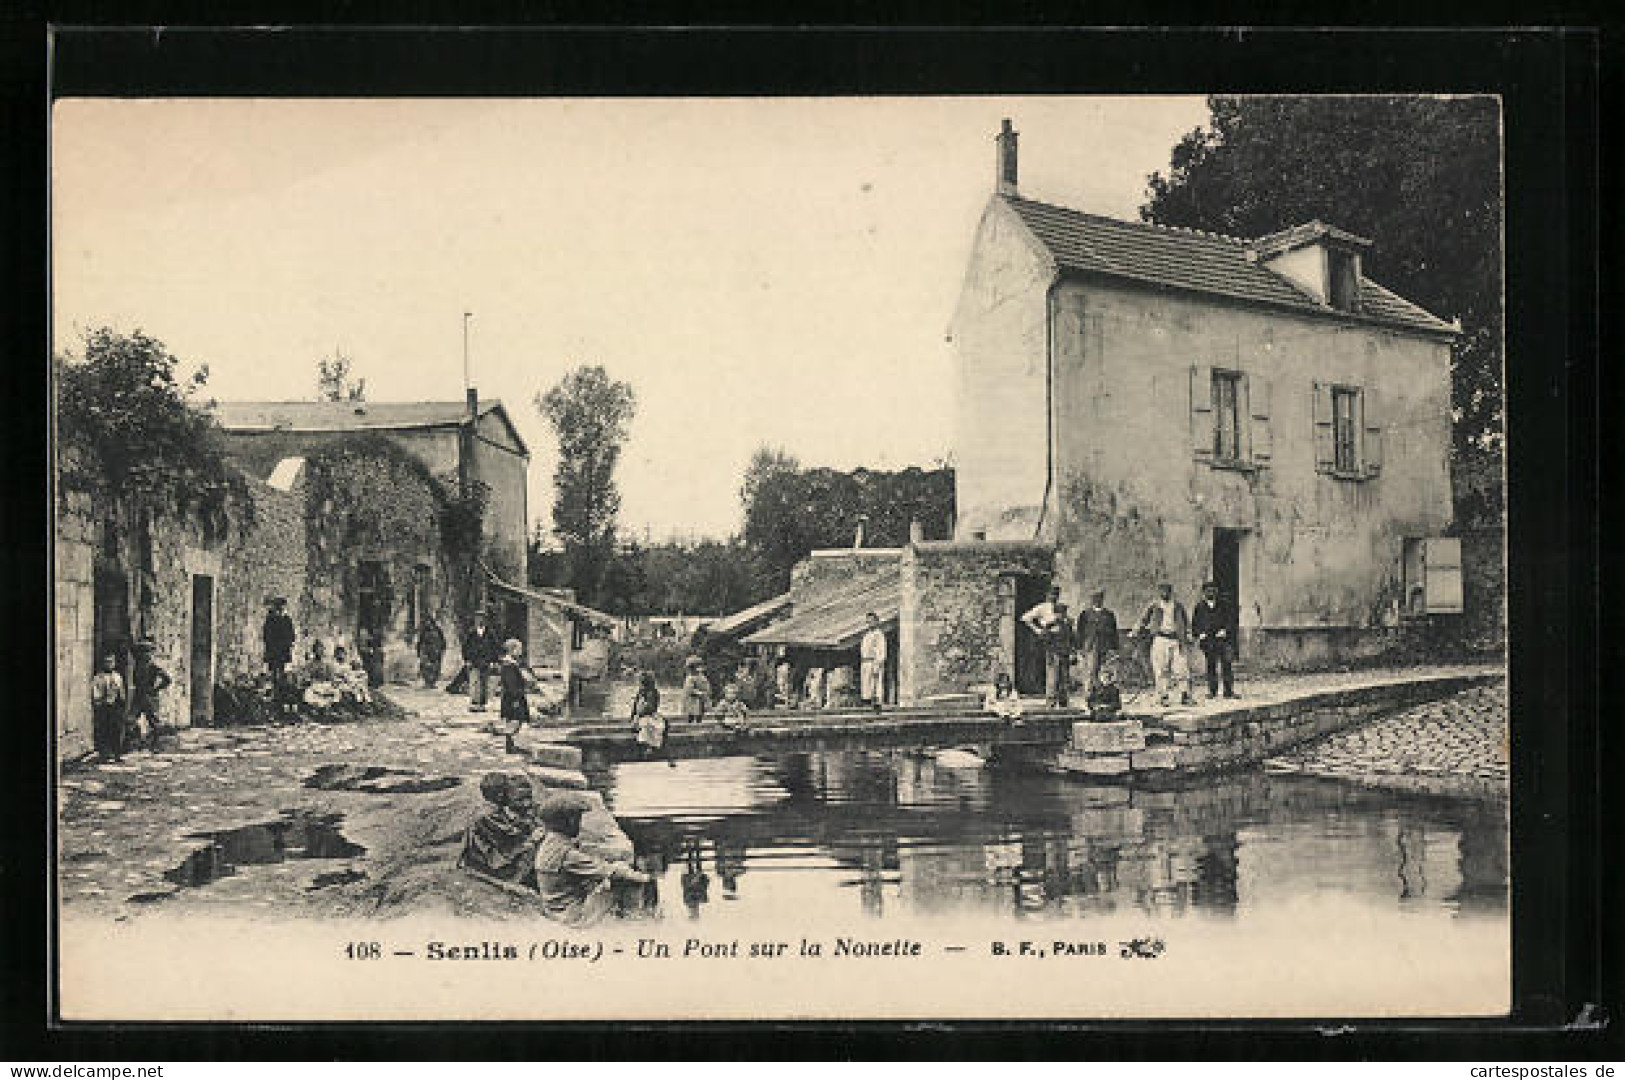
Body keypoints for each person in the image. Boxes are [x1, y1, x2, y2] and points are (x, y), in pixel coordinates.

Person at [533, 791, 651, 928]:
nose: (579, 823)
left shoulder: (550, 844)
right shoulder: (567, 855)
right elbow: (609, 871)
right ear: (568, 821)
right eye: (577, 818)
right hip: (573, 915)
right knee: (627, 880)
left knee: (612, 875)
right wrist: (645, 878)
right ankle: (635, 924)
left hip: (555, 908)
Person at [458, 772, 541, 885]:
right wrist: (532, 836)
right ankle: (518, 879)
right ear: (500, 795)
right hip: (487, 858)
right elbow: (509, 834)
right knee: (532, 850)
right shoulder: (488, 814)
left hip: (488, 851)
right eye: (509, 792)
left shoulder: (491, 808)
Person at [1134, 582, 1193, 706]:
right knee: (1161, 669)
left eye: (1167, 591)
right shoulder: (1154, 606)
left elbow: (1186, 622)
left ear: (1171, 592)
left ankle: (1185, 695)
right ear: (1159, 593)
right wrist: (1136, 630)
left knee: (1181, 668)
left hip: (1177, 640)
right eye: (1162, 591)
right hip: (1160, 639)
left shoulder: (1178, 606)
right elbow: (1143, 620)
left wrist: (1188, 634)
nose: (1164, 593)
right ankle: (1163, 696)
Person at [1022, 586, 1075, 707]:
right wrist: (1038, 630)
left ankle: (1063, 701)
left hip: (1064, 651)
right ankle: (1051, 701)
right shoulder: (1043, 609)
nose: (1054, 597)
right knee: (1052, 675)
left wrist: (1072, 651)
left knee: (1064, 677)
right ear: (1047, 595)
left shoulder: (1067, 624)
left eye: (1056, 595)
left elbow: (1071, 637)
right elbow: (1025, 618)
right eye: (1052, 594)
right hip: (1051, 647)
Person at [1191, 581, 1240, 699]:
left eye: (1213, 590)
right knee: (1211, 665)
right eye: (1208, 591)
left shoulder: (1225, 605)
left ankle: (1228, 691)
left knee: (1227, 664)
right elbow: (1195, 624)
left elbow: (1231, 621)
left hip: (1223, 640)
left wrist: (1225, 630)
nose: (1211, 593)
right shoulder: (1199, 607)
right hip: (1208, 641)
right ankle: (1212, 691)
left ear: (1217, 592)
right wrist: (1199, 634)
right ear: (1204, 593)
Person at [127, 639, 171, 752]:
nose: (144, 654)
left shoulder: (153, 667)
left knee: (154, 722)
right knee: (130, 720)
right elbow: (132, 649)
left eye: (147, 652)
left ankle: (156, 744)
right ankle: (135, 743)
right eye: (141, 652)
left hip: (149, 697)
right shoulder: (137, 664)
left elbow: (167, 679)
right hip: (138, 696)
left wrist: (155, 689)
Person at [496, 638, 538, 755]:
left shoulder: (513, 664)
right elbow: (511, 684)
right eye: (519, 649)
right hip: (513, 698)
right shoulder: (508, 665)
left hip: (514, 696)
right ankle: (510, 746)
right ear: (512, 650)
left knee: (516, 720)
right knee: (514, 721)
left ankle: (512, 745)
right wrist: (516, 698)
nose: (521, 651)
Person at [1076, 589, 1120, 698]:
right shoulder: (1085, 614)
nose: (1097, 601)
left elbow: (1114, 632)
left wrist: (1114, 648)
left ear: (1102, 599)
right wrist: (1079, 647)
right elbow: (1080, 631)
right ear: (1091, 600)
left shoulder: (1109, 615)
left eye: (1099, 598)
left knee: (1105, 671)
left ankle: (1103, 694)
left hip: (1105, 646)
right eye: (1094, 598)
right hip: (1090, 646)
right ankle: (1089, 694)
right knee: (1091, 671)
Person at [90, 651, 126, 763]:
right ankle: (103, 755)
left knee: (116, 730)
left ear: (114, 663)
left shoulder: (118, 677)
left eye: (111, 662)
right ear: (103, 663)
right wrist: (100, 703)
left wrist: (121, 703)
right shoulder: (97, 678)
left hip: (115, 707)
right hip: (103, 707)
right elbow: (95, 693)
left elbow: (122, 692)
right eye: (107, 662)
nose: (109, 664)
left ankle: (117, 753)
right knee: (103, 730)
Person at [463, 614, 500, 713]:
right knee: (474, 681)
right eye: (478, 619)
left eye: (482, 619)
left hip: (486, 661)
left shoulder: (490, 634)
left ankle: (484, 703)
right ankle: (475, 703)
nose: (480, 621)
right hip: (474, 661)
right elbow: (466, 648)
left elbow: (495, 647)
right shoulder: (471, 633)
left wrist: (494, 661)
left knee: (485, 682)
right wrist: (467, 660)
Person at [630, 671, 668, 761]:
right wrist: (635, 716)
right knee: (647, 725)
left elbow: (651, 707)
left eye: (641, 682)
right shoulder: (641, 693)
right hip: (643, 717)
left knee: (652, 725)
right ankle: (649, 748)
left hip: (649, 716)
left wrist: (640, 712)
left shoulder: (653, 693)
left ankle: (649, 748)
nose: (640, 684)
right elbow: (636, 708)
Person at [859, 612, 888, 712]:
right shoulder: (867, 635)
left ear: (876, 621)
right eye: (868, 621)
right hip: (865, 662)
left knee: (875, 684)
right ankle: (866, 704)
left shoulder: (879, 635)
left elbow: (881, 652)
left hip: (873, 662)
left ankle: (876, 705)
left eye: (872, 621)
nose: (870, 623)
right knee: (866, 685)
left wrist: (877, 664)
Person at [262, 598, 295, 682]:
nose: (282, 608)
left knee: (282, 670)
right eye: (280, 606)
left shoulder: (286, 619)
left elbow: (291, 634)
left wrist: (289, 643)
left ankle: (281, 685)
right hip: (274, 650)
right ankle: (275, 684)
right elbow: (266, 636)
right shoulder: (270, 619)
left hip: (283, 650)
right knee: (273, 669)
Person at [417, 615, 447, 689]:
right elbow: (420, 642)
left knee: (435, 667)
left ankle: (432, 682)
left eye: (429, 622)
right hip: (426, 651)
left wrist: (442, 649)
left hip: (436, 651)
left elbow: (443, 640)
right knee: (425, 666)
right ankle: (427, 682)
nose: (428, 623)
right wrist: (419, 651)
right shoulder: (424, 631)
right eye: (427, 622)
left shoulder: (438, 630)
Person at [681, 656, 710, 724]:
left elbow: (706, 685)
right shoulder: (690, 678)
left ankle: (699, 723)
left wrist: (706, 692)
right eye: (697, 667)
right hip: (692, 700)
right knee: (692, 713)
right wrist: (698, 692)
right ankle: (690, 724)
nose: (699, 669)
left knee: (701, 713)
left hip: (701, 699)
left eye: (700, 666)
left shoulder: (702, 677)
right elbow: (689, 689)